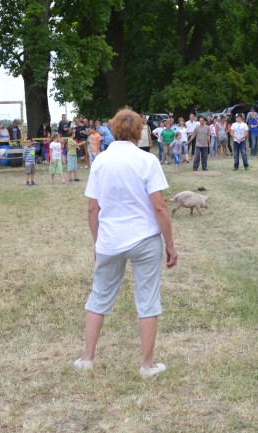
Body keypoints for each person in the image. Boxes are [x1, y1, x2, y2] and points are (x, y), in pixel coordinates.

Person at [75, 109, 177, 379]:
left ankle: (87, 358)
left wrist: (97, 242)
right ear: (138, 131)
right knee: (148, 300)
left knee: (99, 296)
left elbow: (92, 208)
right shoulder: (147, 161)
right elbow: (160, 207)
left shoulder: (100, 161)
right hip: (145, 238)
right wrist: (170, 244)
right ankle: (147, 364)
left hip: (110, 239)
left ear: (114, 130)